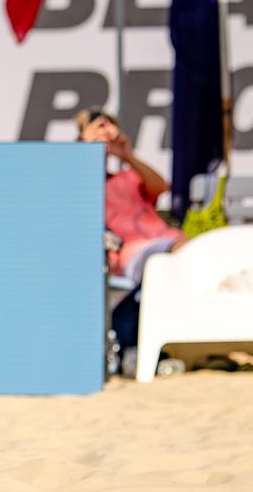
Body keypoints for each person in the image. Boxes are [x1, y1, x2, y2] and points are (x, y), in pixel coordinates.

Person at [76, 107, 185, 357]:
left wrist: (127, 155)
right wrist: (87, 148)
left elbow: (160, 186)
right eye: (97, 128)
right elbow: (76, 187)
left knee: (191, 249)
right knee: (182, 250)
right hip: (132, 253)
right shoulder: (83, 181)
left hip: (166, 242)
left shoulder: (127, 177)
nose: (105, 134)